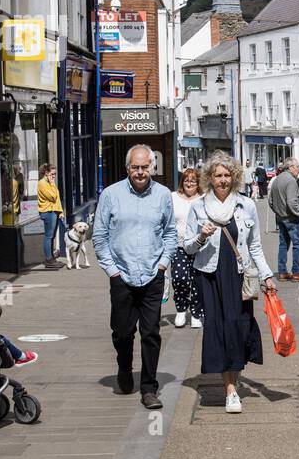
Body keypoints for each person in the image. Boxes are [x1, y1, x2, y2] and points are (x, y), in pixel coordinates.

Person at [185, 152, 277, 413]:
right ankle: (230, 390)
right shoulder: (198, 207)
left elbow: (255, 246)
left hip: (239, 275)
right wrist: (201, 236)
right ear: (210, 178)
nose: (223, 180)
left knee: (237, 328)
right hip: (210, 275)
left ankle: (233, 376)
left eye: (227, 175)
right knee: (217, 328)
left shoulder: (246, 205)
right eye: (218, 175)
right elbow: (188, 248)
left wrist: (267, 275)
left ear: (234, 177)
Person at [92, 144, 177, 409]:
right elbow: (99, 236)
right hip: (122, 276)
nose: (140, 172)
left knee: (151, 332)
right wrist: (112, 271)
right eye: (135, 167)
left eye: (145, 167)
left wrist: (163, 265)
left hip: (153, 274)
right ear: (127, 168)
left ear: (152, 167)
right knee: (122, 332)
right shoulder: (110, 194)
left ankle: (149, 388)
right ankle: (125, 369)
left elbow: (170, 233)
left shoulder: (163, 195)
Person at [170, 168, 204, 328]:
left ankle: (196, 313)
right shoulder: (173, 197)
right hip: (179, 246)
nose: (189, 183)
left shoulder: (204, 199)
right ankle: (181, 310)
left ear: (198, 183)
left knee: (198, 280)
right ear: (182, 182)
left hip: (200, 246)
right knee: (180, 278)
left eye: (193, 180)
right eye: (186, 179)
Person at [270, 159, 299, 281]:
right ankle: (296, 272)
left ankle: (282, 271)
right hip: (291, 218)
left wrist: (278, 211)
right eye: (298, 166)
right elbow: (292, 202)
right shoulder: (291, 181)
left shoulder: (278, 179)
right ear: (291, 167)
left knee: (283, 244)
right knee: (298, 244)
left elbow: (271, 201)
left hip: (281, 217)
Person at [37, 163, 65, 269]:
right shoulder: (42, 183)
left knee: (52, 236)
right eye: (52, 174)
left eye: (55, 174)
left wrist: (61, 212)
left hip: (54, 211)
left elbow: (57, 199)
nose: (54, 176)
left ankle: (51, 258)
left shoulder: (49, 183)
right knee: (48, 236)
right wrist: (52, 183)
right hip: (48, 212)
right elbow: (53, 197)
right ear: (46, 173)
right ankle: (48, 259)